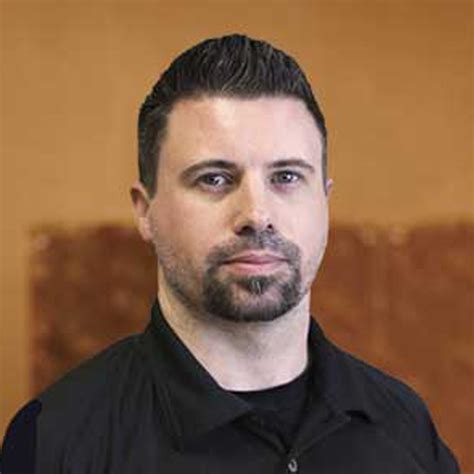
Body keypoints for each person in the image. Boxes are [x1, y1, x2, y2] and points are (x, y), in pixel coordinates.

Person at [1, 34, 459, 474]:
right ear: (145, 211)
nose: (257, 215)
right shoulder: (58, 442)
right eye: (214, 179)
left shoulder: (405, 428)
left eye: (286, 177)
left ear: (324, 200)